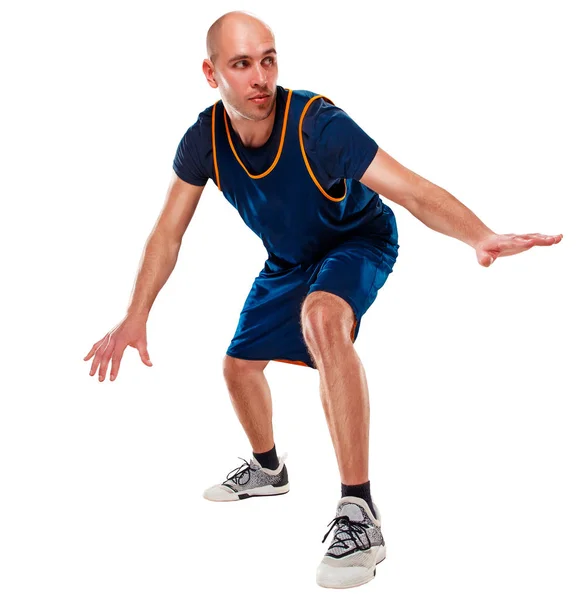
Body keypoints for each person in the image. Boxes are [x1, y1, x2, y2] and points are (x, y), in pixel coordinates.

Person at [83, 10, 563, 589]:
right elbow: (167, 232)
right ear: (211, 75)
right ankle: (267, 468)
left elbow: (410, 188)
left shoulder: (317, 125)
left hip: (357, 240)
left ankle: (359, 511)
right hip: (290, 259)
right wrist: (136, 315)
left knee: (322, 318)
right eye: (242, 64)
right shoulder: (203, 139)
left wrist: (479, 235)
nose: (261, 76)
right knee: (238, 368)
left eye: (269, 59)